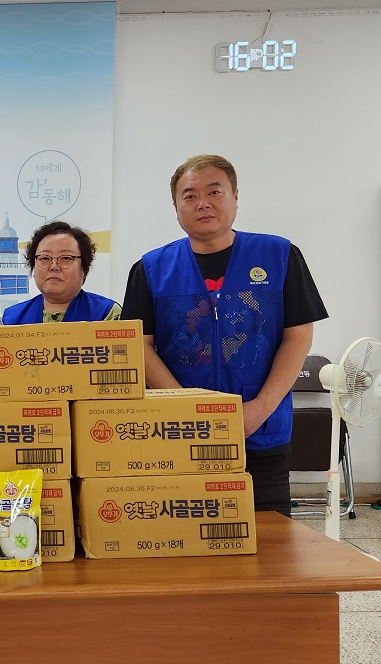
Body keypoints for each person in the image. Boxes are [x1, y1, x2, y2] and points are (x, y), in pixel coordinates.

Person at [121, 154, 327, 515]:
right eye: (189, 195)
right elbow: (139, 345)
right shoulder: (152, 268)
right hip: (180, 434)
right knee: (187, 532)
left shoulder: (279, 255)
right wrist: (187, 408)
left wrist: (260, 408)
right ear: (175, 206)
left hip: (260, 431)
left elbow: (298, 336)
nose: (203, 203)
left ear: (235, 197)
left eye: (214, 192)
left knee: (269, 536)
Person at [2, 220, 121, 324]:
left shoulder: (108, 314)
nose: (54, 266)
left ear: (84, 268)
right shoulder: (11, 319)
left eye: (66, 258)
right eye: (45, 258)